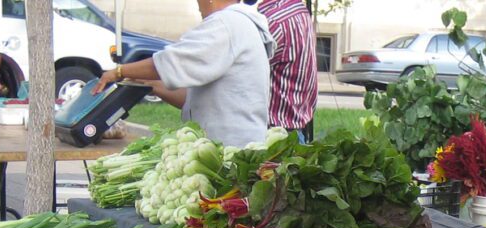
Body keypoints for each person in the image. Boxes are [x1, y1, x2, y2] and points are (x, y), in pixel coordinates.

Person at [93, 0, 275, 148]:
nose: (197, 6)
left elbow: (171, 61)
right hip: (231, 145)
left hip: (233, 150)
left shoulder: (226, 24)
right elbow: (193, 100)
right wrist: (151, 85)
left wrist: (119, 71)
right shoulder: (238, 24)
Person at [257, 0, 318, 140]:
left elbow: (237, 72)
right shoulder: (298, 11)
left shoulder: (273, 21)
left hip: (272, 138)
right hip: (292, 132)